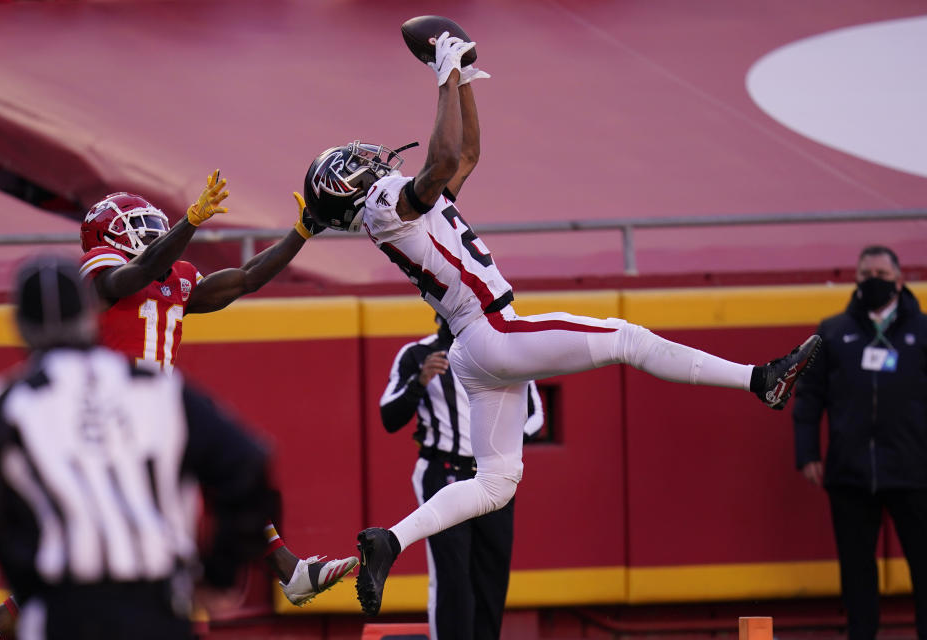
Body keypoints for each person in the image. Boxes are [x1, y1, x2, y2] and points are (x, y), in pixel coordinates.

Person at [300, 32, 822, 616]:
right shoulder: (383, 204)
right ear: (345, 183)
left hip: (477, 347)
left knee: (496, 485)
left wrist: (465, 79)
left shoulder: (391, 209)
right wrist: (442, 70)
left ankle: (390, 540)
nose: (368, 158)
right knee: (627, 339)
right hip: (492, 330)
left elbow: (464, 157)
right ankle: (760, 380)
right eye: (355, 163)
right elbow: (444, 158)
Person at [75, 171, 358, 611]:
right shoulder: (102, 275)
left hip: (161, 408)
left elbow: (244, 279)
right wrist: (188, 222)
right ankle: (0, 620)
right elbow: (138, 272)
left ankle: (289, 571)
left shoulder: (178, 277)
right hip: (113, 412)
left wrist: (300, 233)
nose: (149, 234)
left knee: (232, 473)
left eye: (153, 225)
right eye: (137, 227)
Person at [0, 256, 280, 639]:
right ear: (88, 315)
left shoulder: (5, 403)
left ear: (20, 328)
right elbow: (248, 460)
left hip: (62, 612)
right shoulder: (158, 388)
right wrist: (220, 573)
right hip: (160, 607)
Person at [792, 245, 927, 640]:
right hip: (850, 471)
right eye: (866, 274)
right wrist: (807, 453)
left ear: (900, 281)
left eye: (882, 275)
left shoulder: (923, 332)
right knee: (856, 570)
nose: (873, 281)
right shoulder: (832, 332)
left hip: (914, 470)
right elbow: (810, 394)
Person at [380, 315, 543, 639]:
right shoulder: (418, 355)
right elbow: (389, 416)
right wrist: (419, 382)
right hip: (444, 472)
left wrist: (504, 440)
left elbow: (535, 415)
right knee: (452, 575)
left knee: (492, 575)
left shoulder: (507, 353)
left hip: (495, 473)